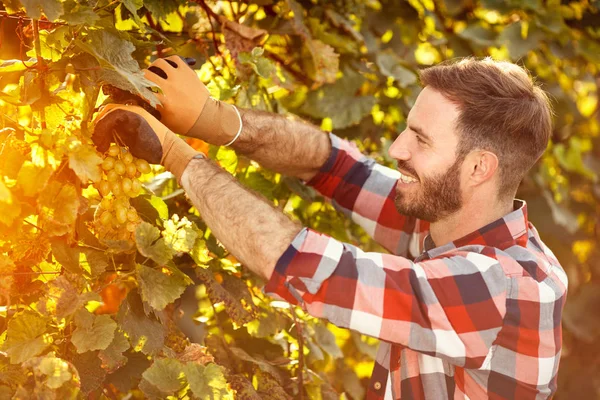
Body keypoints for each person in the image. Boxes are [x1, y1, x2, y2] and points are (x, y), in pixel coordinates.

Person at [93, 56, 569, 399]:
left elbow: (300, 262)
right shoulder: (450, 221)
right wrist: (215, 120)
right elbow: (335, 165)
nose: (397, 148)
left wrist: (179, 157)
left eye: (420, 140)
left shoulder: (501, 288)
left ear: (478, 168)